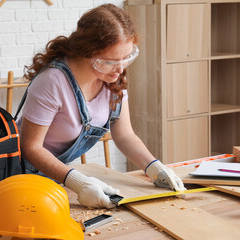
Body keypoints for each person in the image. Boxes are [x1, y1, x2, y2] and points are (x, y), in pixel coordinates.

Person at [17, 4, 185, 209]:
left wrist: (154, 167)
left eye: (126, 58)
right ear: (87, 51)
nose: (120, 69)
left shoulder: (112, 77)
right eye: (111, 61)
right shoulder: (52, 81)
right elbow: (31, 147)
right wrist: (77, 181)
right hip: (22, 177)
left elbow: (124, 135)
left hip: (56, 177)